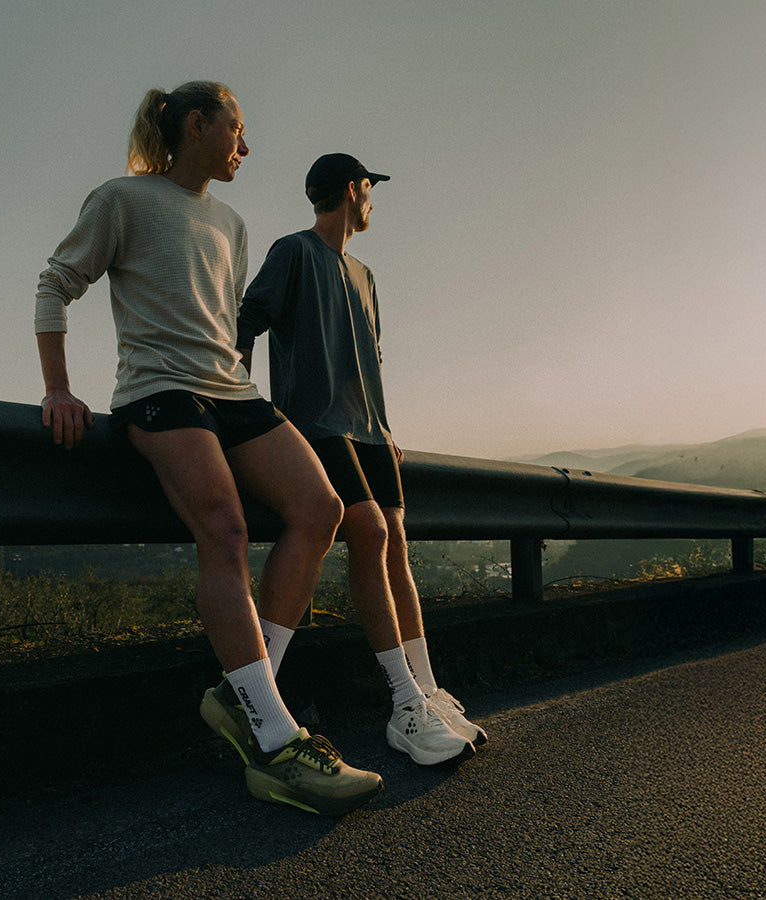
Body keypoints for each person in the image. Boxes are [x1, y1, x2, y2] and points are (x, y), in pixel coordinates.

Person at [34, 85, 382, 815]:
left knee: (321, 509)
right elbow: (55, 286)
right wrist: (59, 389)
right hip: (160, 392)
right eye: (237, 130)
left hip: (233, 392)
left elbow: (224, 327)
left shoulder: (231, 221)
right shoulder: (120, 200)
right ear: (197, 125)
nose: (245, 148)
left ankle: (246, 698)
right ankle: (277, 743)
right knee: (223, 530)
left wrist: (246, 399)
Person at [233, 152, 489, 765]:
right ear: (353, 190)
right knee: (370, 531)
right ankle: (402, 704)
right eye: (371, 189)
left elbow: (369, 357)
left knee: (395, 540)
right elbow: (246, 321)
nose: (373, 201)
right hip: (316, 424)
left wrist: (385, 424)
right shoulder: (292, 251)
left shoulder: (367, 276)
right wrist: (242, 407)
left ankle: (426, 692)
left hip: (372, 432)